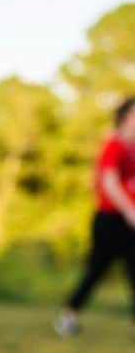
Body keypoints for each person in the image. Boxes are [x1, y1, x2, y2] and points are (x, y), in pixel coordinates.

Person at [55, 97, 135, 336]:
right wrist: (129, 210)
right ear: (125, 118)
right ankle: (68, 315)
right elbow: (109, 183)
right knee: (96, 271)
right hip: (110, 220)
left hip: (130, 222)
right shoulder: (114, 146)